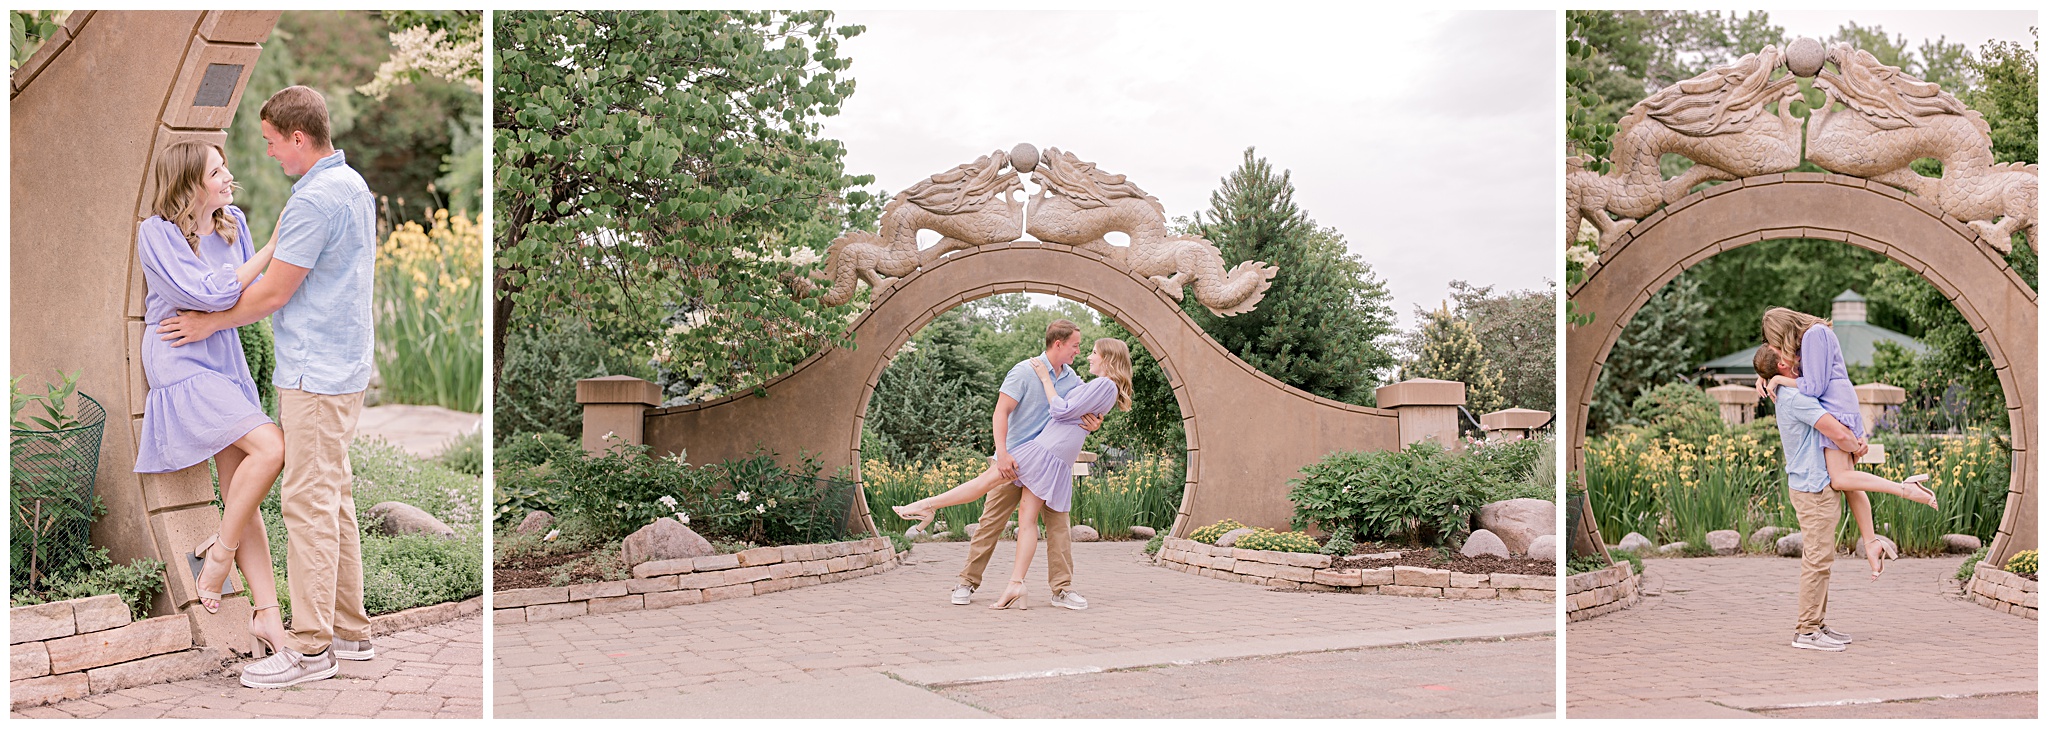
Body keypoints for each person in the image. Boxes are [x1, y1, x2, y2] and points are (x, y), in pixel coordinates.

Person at [159, 85, 378, 688]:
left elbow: (274, 292)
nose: (270, 152)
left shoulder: (312, 200)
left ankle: (310, 652)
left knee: (306, 503)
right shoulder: (352, 184)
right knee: (333, 499)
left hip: (315, 373)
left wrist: (208, 322)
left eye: (272, 142)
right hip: (345, 367)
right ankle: (351, 632)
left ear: (298, 138)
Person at [134, 139, 291, 660]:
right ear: (189, 183)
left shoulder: (232, 222)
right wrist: (270, 251)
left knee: (240, 494)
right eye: (217, 171)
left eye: (225, 167)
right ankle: (219, 556)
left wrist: (231, 298)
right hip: (178, 355)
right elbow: (207, 294)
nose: (229, 177)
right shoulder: (154, 234)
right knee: (270, 448)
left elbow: (238, 298)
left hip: (222, 356)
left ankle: (267, 617)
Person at [891, 325, 1132, 610]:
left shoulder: (1074, 379)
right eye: (1076, 346)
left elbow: (1083, 407)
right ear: (1058, 344)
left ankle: (1059, 589)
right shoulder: (1025, 371)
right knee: (990, 523)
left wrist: (1096, 421)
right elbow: (1001, 412)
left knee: (1057, 528)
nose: (1080, 352)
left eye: (1087, 349)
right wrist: (1002, 454)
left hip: (1047, 460)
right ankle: (968, 581)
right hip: (1017, 456)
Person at [1755, 307, 1934, 578]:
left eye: (1776, 340)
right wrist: (1765, 375)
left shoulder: (1815, 335)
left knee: (1840, 480)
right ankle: (1872, 542)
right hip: (1837, 404)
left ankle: (1905, 488)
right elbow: (1776, 358)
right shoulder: (1810, 338)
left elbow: (1813, 387)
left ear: (1784, 329)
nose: (1778, 348)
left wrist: (1778, 378)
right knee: (1849, 483)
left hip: (1835, 406)